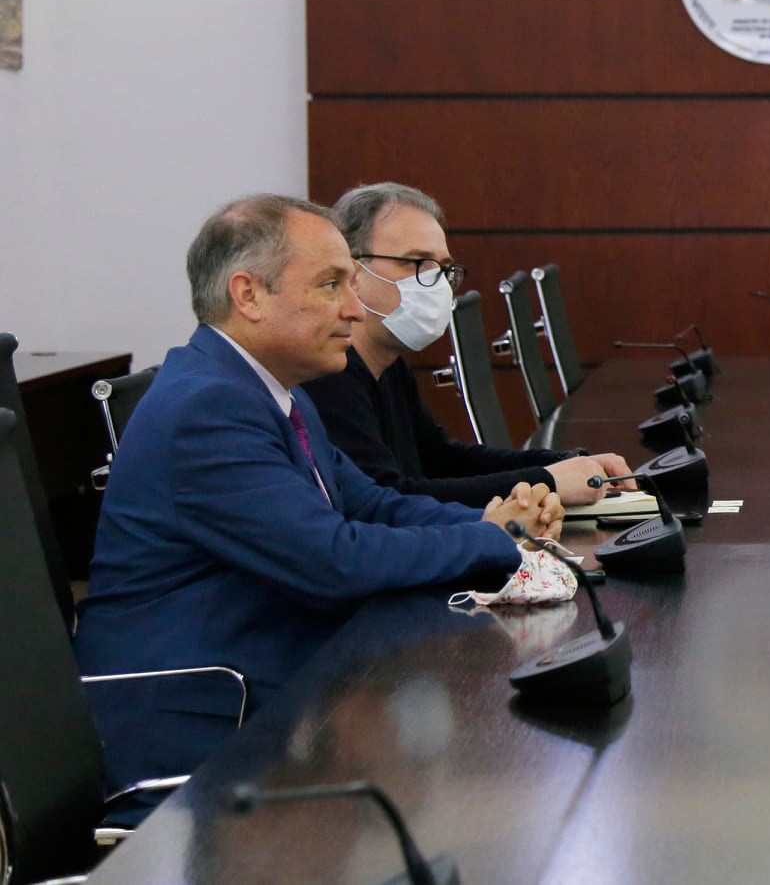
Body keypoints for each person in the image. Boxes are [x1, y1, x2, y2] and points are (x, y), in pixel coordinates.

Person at [71, 195, 561, 823]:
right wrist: (495, 539)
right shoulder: (206, 408)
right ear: (248, 295)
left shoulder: (275, 392)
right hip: (196, 738)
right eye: (332, 285)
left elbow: (372, 506)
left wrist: (499, 523)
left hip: (270, 700)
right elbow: (332, 559)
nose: (354, 308)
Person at [301, 182, 632, 507]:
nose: (435, 282)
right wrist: (547, 481)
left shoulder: (388, 362)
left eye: (443, 268)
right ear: (352, 270)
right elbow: (389, 502)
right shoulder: (329, 375)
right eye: (415, 262)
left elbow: (440, 459)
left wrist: (564, 464)